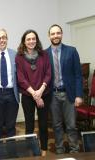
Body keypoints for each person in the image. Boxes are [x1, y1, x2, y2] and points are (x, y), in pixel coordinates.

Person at [46, 24, 83, 154]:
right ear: (49, 36)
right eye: (53, 33)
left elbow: (78, 75)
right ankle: (59, 150)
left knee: (71, 125)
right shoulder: (44, 54)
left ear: (61, 34)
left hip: (69, 94)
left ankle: (74, 150)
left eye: (58, 33)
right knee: (56, 126)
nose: (55, 36)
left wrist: (79, 95)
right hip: (52, 95)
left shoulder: (72, 51)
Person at [16, 29, 51, 156]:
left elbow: (48, 73)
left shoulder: (44, 55)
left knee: (43, 124)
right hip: (28, 96)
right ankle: (29, 149)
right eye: (28, 39)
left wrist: (40, 91)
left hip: (44, 94)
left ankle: (44, 149)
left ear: (37, 40)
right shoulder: (19, 57)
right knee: (29, 125)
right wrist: (35, 94)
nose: (31, 41)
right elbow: (21, 79)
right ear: (24, 42)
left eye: (33, 39)